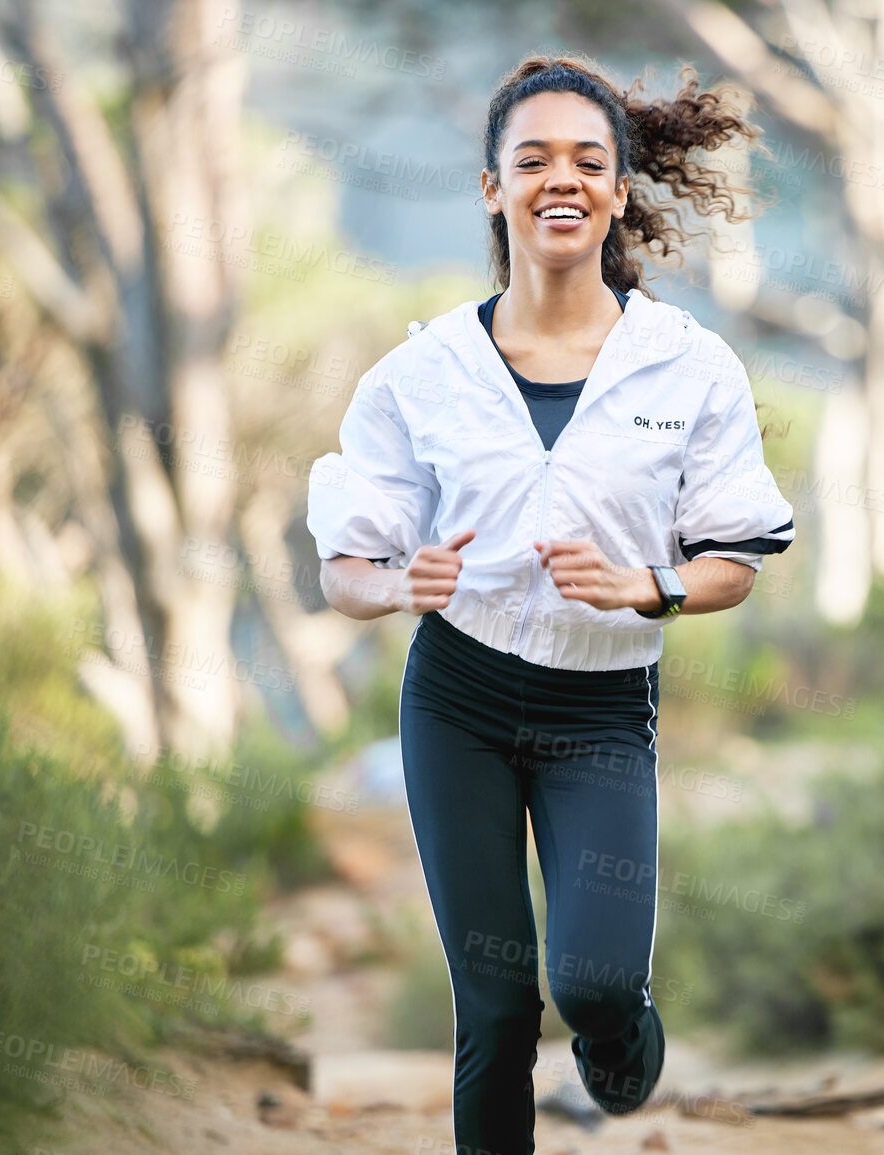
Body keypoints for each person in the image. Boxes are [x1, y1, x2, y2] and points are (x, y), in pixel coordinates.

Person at [306, 53, 794, 1155]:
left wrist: (651, 587)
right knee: (493, 1008)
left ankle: (621, 1033)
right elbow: (345, 572)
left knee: (593, 982)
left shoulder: (689, 369)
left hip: (602, 712)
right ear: (493, 187)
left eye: (587, 159)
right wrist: (395, 585)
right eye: (532, 160)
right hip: (459, 702)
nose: (558, 180)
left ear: (620, 189)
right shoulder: (421, 373)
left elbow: (738, 557)